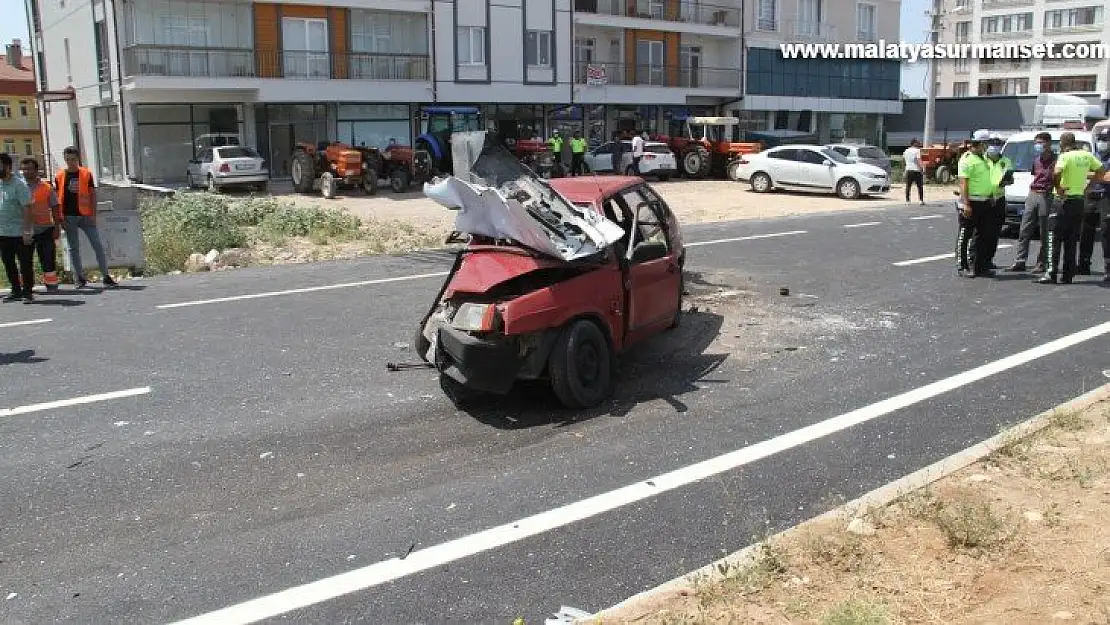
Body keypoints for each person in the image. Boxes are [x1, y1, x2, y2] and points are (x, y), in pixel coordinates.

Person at [1037, 132, 1107, 284]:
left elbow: (1056, 173)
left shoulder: (1064, 156)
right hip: (1079, 201)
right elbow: (1101, 170)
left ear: (1062, 143)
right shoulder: (1086, 155)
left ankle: (1051, 272)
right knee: (1071, 239)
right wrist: (1089, 185)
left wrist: (1058, 187)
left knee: (1053, 237)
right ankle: (1068, 275)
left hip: (1062, 201)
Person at [55, 146, 116, 288]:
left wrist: (93, 214)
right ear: (65, 159)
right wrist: (59, 218)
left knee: (97, 245)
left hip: (86, 215)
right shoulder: (59, 176)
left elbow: (92, 195)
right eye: (68, 159)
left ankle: (106, 276)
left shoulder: (86, 174)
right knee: (73, 248)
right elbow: (57, 199)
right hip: (69, 216)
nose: (70, 162)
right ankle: (79, 279)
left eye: (73, 159)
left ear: (78, 159)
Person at [955, 129, 1000, 278]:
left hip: (985, 202)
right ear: (980, 144)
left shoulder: (984, 158)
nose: (987, 146)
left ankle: (979, 266)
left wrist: (991, 195)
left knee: (983, 235)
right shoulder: (967, 159)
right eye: (986, 143)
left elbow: (988, 179)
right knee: (965, 234)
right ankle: (962, 265)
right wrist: (966, 204)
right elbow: (963, 183)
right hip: (972, 201)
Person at [1008, 132, 1055, 273]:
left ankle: (1042, 262)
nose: (1038, 146)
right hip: (1033, 194)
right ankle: (1020, 260)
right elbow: (1035, 176)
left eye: (1041, 143)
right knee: (1024, 229)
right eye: (1036, 143)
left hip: (1046, 195)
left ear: (1048, 144)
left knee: (1044, 232)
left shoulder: (1056, 160)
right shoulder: (1036, 160)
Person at [20, 158, 61, 292]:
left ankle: (51, 284)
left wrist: (57, 227)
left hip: (45, 228)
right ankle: (27, 286)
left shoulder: (46, 188)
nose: (27, 172)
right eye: (24, 169)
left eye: (30, 169)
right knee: (25, 259)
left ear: (36, 170)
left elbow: (55, 207)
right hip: (26, 230)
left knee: (48, 257)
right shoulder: (19, 187)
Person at [0, 153, 34, 303]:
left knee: (25, 263)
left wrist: (27, 231)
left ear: (7, 166)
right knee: (8, 262)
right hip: (3, 232)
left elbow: (27, 208)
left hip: (19, 232)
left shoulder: (19, 185)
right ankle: (16, 290)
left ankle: (27, 292)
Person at [1077, 127, 1110, 277]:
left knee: (1106, 231)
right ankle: (1083, 264)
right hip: (1090, 196)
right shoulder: (1092, 156)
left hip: (1106, 197)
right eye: (1101, 139)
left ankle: (1108, 267)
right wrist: (1098, 175)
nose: (1103, 142)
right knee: (1086, 230)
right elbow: (1083, 175)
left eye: (1106, 139)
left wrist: (1093, 176)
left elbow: (1107, 178)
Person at [983, 132, 1014, 270]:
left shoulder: (1006, 161)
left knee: (995, 232)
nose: (995, 147)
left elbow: (1010, 178)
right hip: (985, 198)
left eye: (997, 144)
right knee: (981, 232)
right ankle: (976, 259)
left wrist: (1007, 181)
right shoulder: (982, 160)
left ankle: (989, 259)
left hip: (999, 198)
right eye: (992, 144)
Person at [903, 139, 924, 205]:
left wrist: (905, 168)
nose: (919, 144)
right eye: (917, 143)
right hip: (916, 170)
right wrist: (922, 168)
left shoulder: (906, 150)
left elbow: (904, 159)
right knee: (919, 186)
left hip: (908, 169)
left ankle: (907, 200)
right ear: (914, 143)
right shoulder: (917, 151)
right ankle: (920, 200)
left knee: (908, 186)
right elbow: (918, 159)